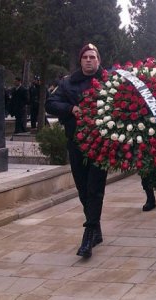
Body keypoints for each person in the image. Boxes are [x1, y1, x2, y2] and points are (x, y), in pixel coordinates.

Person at [46, 43, 108, 259]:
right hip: (77, 143)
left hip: (101, 144)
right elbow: (51, 103)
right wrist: (71, 108)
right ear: (81, 61)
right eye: (85, 57)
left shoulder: (109, 81)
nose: (89, 60)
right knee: (82, 188)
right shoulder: (67, 83)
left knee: (95, 188)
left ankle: (88, 234)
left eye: (93, 56)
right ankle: (96, 227)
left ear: (99, 60)